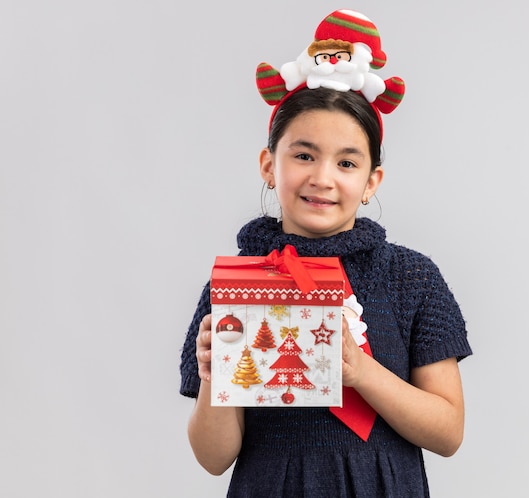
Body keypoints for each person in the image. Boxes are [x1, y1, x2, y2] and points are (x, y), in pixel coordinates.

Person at [179, 9, 472, 497]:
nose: (322, 177)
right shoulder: (237, 282)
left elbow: (448, 432)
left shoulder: (410, 277)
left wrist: (359, 371)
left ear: (370, 181)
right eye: (303, 155)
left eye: (347, 162)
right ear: (269, 165)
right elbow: (214, 458)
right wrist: (214, 378)